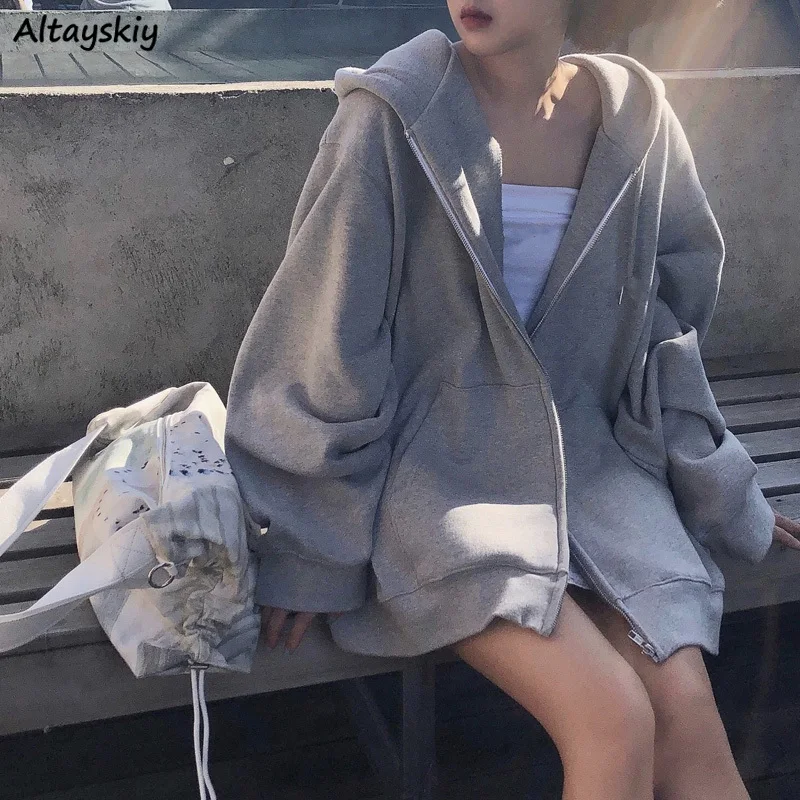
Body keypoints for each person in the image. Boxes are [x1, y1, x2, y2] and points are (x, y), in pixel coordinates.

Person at [224, 2, 800, 797]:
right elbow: (323, 339)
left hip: (599, 477)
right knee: (612, 720)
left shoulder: (637, 122)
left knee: (686, 712)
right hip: (440, 482)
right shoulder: (393, 117)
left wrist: (722, 488)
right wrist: (306, 543)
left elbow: (665, 337)